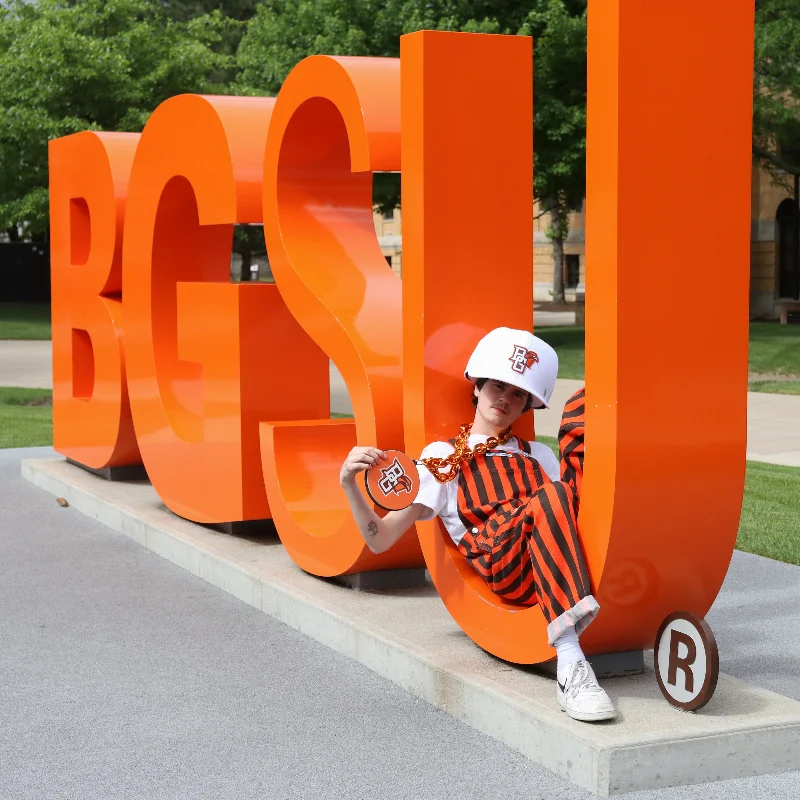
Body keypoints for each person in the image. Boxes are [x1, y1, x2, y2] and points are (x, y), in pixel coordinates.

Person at [339, 327, 617, 722]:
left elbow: (569, 514)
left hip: (549, 555)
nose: (505, 398)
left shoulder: (539, 456)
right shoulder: (442, 457)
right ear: (477, 387)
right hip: (504, 564)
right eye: (497, 386)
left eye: (518, 393)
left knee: (582, 411)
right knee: (551, 496)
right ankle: (571, 666)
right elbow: (381, 539)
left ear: (526, 406)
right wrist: (349, 484)